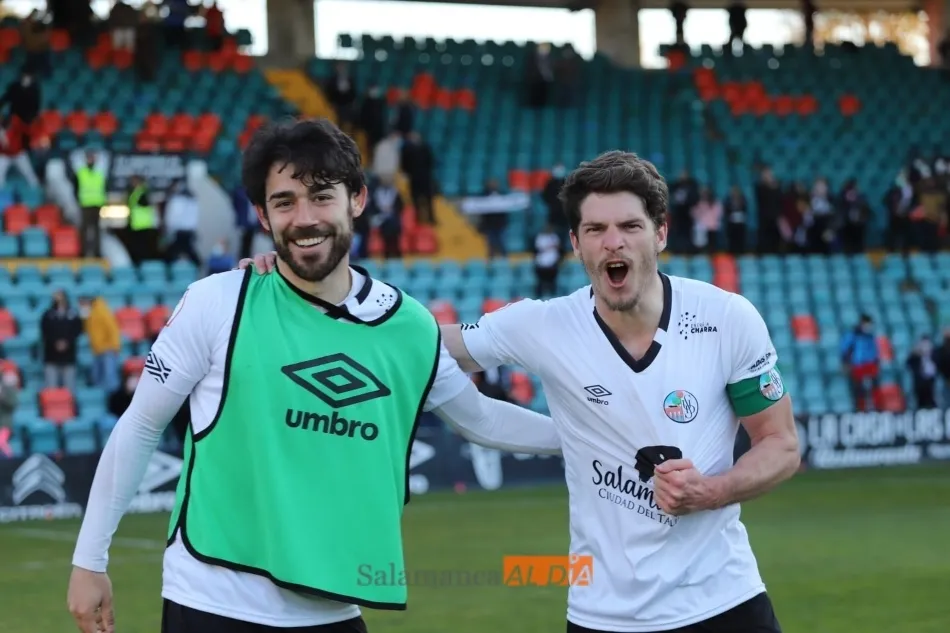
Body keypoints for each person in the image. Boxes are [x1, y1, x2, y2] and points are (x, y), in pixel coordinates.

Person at [244, 149, 801, 633]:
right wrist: (296, 289)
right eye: (596, 230)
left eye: (630, 227)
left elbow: (780, 444)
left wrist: (712, 491)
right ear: (574, 244)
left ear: (659, 232)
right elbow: (419, 343)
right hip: (605, 616)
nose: (614, 243)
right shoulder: (543, 324)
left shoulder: (727, 319)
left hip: (725, 601)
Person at [67, 117, 560, 633]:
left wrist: (595, 437)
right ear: (262, 215)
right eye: (284, 202)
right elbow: (142, 425)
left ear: (357, 200)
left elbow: (481, 420)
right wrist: (89, 559)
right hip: (213, 600)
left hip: (335, 608)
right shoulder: (219, 301)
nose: (304, 218)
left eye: (321, 196)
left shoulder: (408, 325)